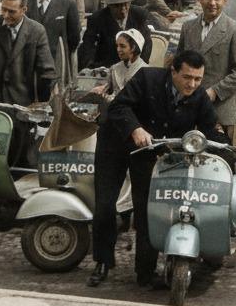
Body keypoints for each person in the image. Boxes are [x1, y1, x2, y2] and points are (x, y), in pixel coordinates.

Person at [89, 49, 221, 288]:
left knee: (148, 210)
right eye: (187, 77)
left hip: (149, 154)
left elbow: (210, 130)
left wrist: (226, 149)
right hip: (115, 144)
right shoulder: (147, 78)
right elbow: (119, 107)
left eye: (198, 79)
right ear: (173, 71)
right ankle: (102, 262)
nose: (192, 84)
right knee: (105, 205)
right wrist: (135, 129)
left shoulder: (199, 96)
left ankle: (145, 272)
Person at [177, 0, 236, 133]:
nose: (212, 3)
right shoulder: (188, 27)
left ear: (225, 0)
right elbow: (179, 63)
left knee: (218, 155)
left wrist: (215, 91)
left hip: (219, 110)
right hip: (187, 108)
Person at [27, 0, 82, 87]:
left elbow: (74, 39)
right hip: (30, 70)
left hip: (57, 69)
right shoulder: (25, 3)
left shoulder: (68, 4)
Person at [79, 0, 155, 70]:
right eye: (117, 6)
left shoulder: (139, 15)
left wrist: (138, 66)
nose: (123, 9)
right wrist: (91, 68)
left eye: (126, 4)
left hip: (134, 67)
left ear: (130, 2)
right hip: (106, 66)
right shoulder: (97, 19)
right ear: (109, 6)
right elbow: (88, 46)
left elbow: (147, 44)